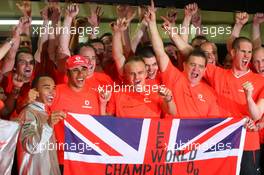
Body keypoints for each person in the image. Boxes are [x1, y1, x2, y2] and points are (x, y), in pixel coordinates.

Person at [146, 1, 221, 118]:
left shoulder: (210, 92)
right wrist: (151, 23)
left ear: (205, 69)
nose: (196, 69)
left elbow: (213, 124)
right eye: (193, 65)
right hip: (172, 135)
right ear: (185, 65)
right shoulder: (174, 77)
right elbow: (160, 52)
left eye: (200, 66)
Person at [204, 37, 264, 175]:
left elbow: (256, 115)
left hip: (248, 144)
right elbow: (193, 59)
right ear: (233, 53)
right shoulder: (218, 73)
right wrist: (171, 31)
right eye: (243, 51)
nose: (247, 55)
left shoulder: (260, 81)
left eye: (249, 52)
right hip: (222, 142)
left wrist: (248, 97)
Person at [50, 55, 101, 170]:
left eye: (83, 69)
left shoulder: (95, 94)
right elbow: (40, 116)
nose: (80, 74)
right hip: (62, 158)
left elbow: (99, 126)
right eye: (75, 70)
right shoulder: (55, 91)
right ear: (67, 73)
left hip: (87, 158)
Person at [17, 75, 65, 175]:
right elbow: (30, 146)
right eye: (47, 88)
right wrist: (48, 125)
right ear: (35, 91)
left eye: (53, 88)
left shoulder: (44, 113)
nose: (52, 92)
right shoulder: (28, 113)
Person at [101, 56, 176, 118]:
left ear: (146, 74)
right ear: (125, 75)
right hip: (125, 135)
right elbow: (106, 121)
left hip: (149, 134)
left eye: (140, 73)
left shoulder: (156, 91)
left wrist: (168, 98)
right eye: (132, 74)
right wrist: (103, 103)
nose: (136, 77)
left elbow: (172, 112)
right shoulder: (116, 94)